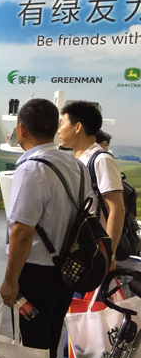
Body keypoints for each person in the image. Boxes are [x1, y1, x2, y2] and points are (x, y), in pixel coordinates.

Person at [0, 98, 92, 358]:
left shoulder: (31, 169)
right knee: (50, 336)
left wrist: (10, 280)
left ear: (21, 129)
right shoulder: (77, 164)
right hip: (67, 269)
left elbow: (22, 233)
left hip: (35, 273)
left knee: (31, 344)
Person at [59, 101, 124, 261]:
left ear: (77, 127)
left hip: (96, 246)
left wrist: (109, 254)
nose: (59, 130)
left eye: (62, 124)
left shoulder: (101, 159)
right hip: (80, 243)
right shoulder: (77, 159)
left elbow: (116, 209)